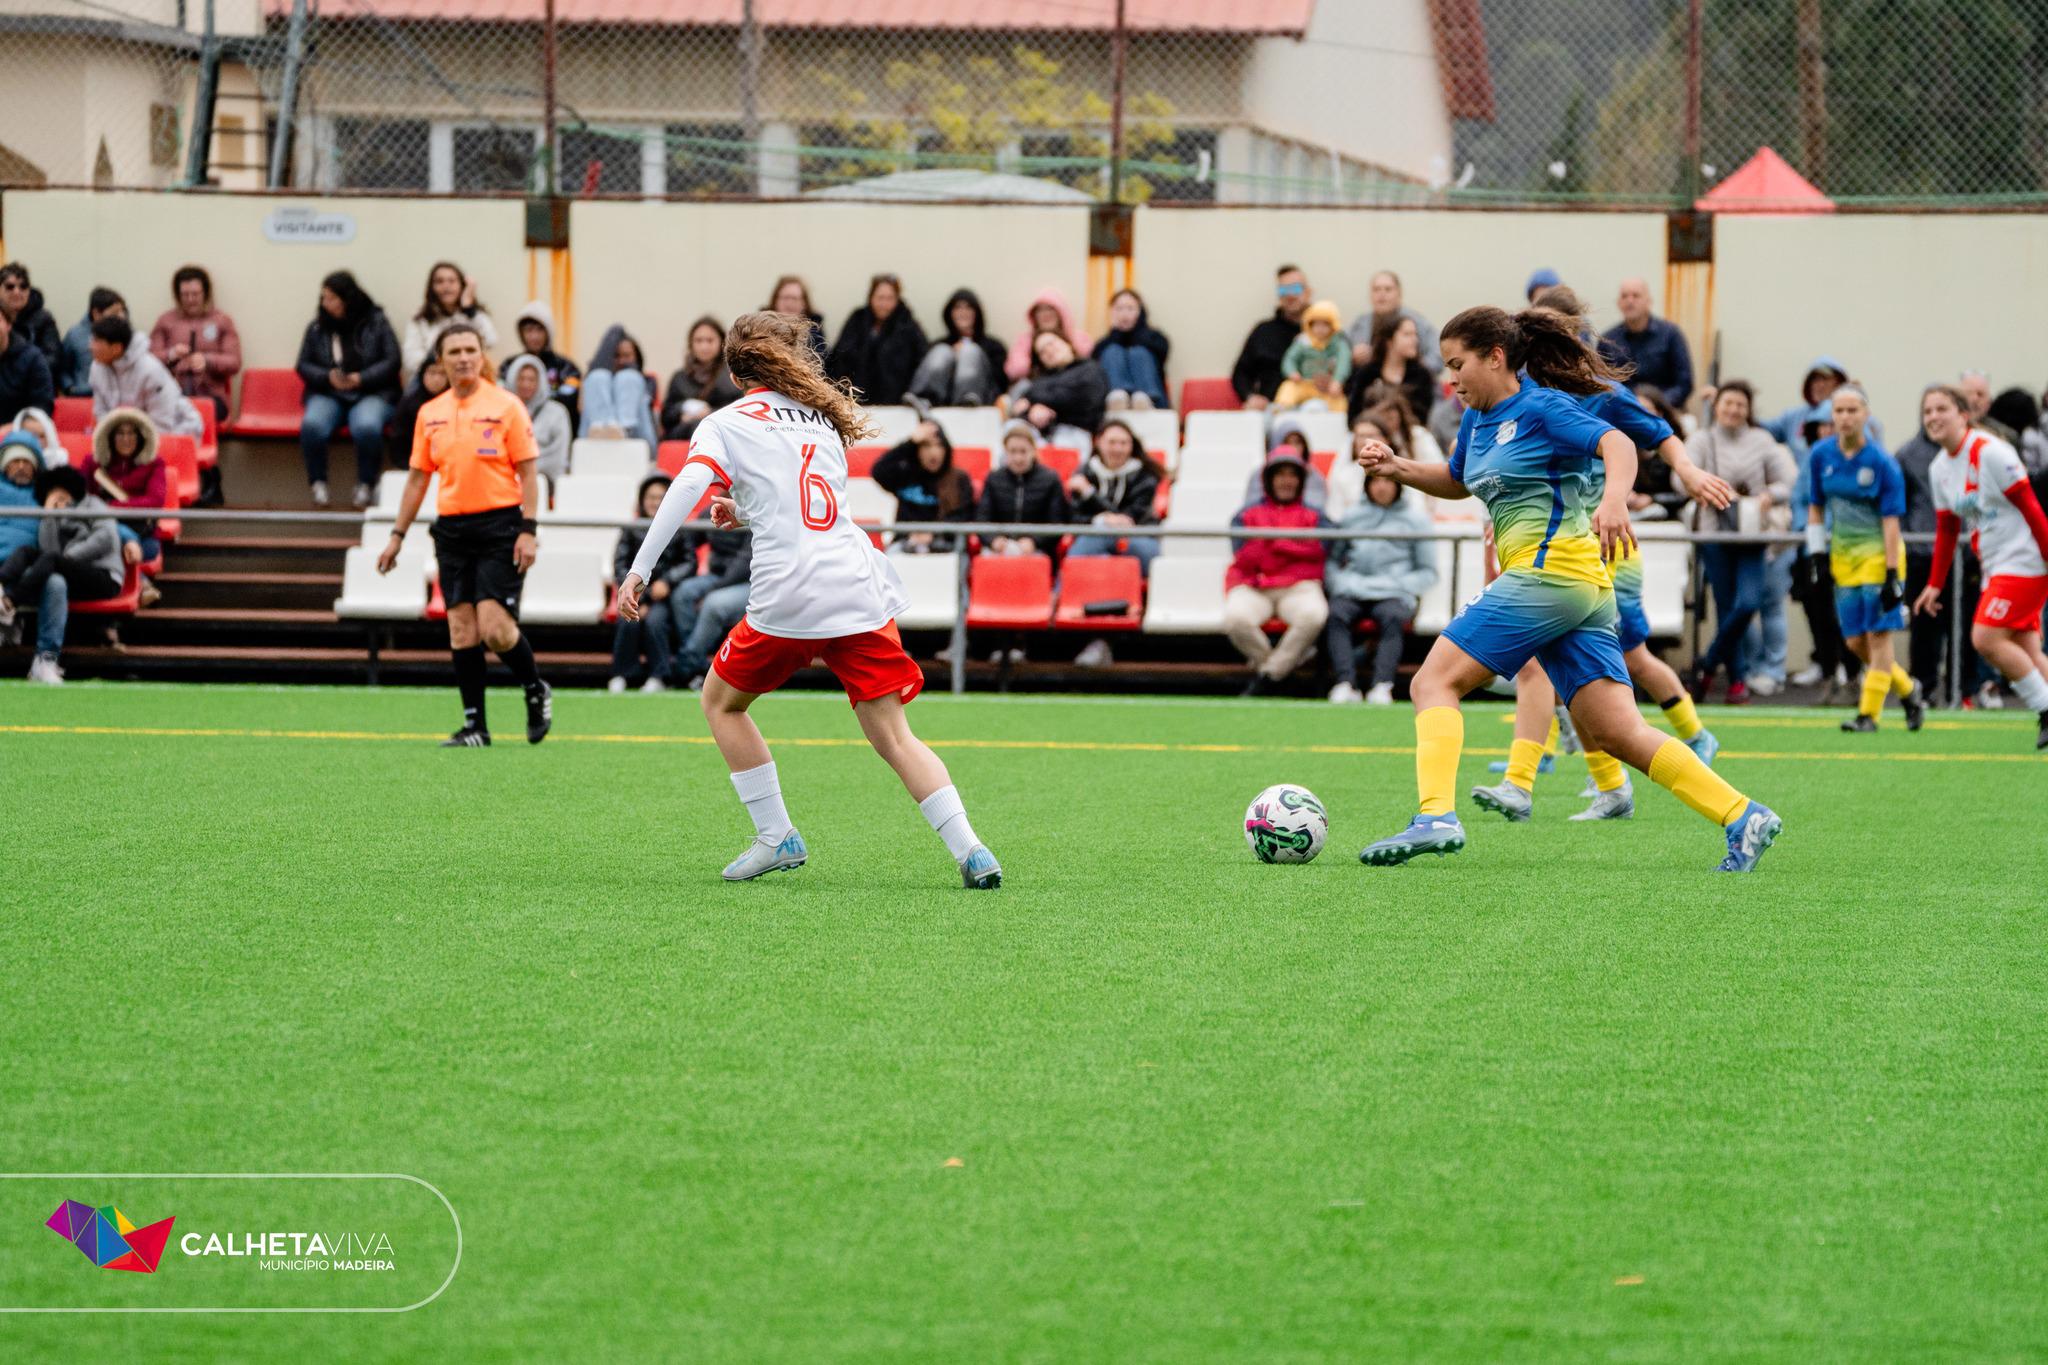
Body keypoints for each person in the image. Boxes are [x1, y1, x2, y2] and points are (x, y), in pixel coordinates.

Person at [1355, 305, 1779, 872]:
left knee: (1433, 682)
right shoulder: (1476, 419)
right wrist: (1396, 467)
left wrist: (1611, 503)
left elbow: (1620, 446)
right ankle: (1741, 814)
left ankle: (1435, 814)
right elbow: (1459, 481)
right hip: (1576, 589)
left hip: (1549, 574)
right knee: (1618, 732)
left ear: (1496, 357)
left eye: (1458, 365)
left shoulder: (1542, 406)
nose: (1450, 379)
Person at [618, 309, 1002, 889]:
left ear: (735, 369)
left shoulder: (725, 422)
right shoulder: (821, 422)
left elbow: (688, 485)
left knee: (721, 703)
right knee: (896, 737)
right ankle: (972, 850)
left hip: (790, 594)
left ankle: (776, 836)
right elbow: (811, 502)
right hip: (855, 586)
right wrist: (743, 510)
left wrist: (639, 570)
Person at [1470, 320, 1734, 823]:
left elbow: (1657, 435)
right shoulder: (1519, 400)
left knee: (1627, 657)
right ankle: (1570, 776)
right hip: (1554, 551)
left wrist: (1688, 472)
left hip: (1602, 546)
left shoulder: (1599, 396)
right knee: (1557, 669)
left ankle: (1690, 738)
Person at [376, 324, 552, 748]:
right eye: (453, 350)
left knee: (495, 627)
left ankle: (534, 688)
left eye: (470, 349)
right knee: (461, 628)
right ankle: (476, 726)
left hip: (501, 526)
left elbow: (529, 473)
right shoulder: (430, 412)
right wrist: (397, 536)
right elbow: (418, 480)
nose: (463, 357)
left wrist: (528, 531)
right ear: (442, 359)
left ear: (482, 354)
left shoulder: (506, 406)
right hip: (452, 529)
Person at [1913, 383, 2048, 749]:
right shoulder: (1940, 466)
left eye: (1942, 409)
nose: (1933, 417)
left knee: (1985, 637)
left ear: (1964, 415)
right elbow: (1946, 529)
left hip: (2026, 561)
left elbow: (2032, 510)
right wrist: (1935, 584)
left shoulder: (1991, 452)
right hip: (1996, 566)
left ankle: (2045, 709)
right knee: (2028, 651)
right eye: (1927, 411)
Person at [1801, 384, 1924, 733]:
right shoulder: (1822, 455)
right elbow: (1815, 506)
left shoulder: (1883, 463)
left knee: (1879, 637)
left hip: (1878, 559)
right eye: (1838, 411)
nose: (1844, 417)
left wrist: (1890, 573)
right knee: (1855, 641)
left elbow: (1890, 521)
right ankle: (1909, 689)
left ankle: (1868, 714)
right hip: (1843, 558)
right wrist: (1817, 555)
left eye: (1852, 410)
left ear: (1866, 415)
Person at [1685, 380, 1797, 703]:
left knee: (1747, 603)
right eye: (1728, 403)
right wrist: (1704, 487)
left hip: (1752, 533)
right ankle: (1737, 680)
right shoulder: (1702, 440)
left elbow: (1788, 481)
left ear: (1749, 410)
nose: (1734, 410)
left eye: (1740, 404)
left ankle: (1707, 663)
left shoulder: (1763, 441)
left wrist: (1768, 495)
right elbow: (1681, 477)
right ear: (1717, 406)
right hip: (1714, 532)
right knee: (1724, 605)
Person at [1324, 467, 1435, 705]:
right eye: (1375, 481)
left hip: (1394, 593)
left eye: (1388, 481)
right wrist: (1341, 583)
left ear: (1398, 485)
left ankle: (1382, 684)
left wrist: (1400, 585)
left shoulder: (1416, 520)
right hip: (1353, 588)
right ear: (1367, 485)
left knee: (1392, 616)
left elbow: (1428, 571)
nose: (1381, 486)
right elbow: (1333, 560)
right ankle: (1345, 683)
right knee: (1336, 614)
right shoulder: (1352, 516)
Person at [0, 464, 123, 677]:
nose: (59, 497)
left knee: (52, 563)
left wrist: (65, 559)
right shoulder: (50, 517)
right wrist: (49, 517)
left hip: (103, 576)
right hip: (69, 576)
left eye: (63, 492)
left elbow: (106, 537)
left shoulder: (92, 504)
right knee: (41, 568)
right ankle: (44, 660)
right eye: (53, 493)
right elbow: (48, 552)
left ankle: (10, 601)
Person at [1224, 449, 1330, 695]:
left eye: (1292, 475)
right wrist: (1294, 545)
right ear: (1269, 479)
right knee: (1235, 618)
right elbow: (1245, 557)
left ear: (1301, 481)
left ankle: (1268, 678)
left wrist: (1272, 542)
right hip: (1254, 585)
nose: (1286, 480)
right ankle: (1280, 672)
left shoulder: (1317, 516)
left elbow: (1318, 555)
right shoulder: (1245, 515)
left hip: (1298, 586)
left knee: (1314, 615)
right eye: (1280, 474)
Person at [295, 270, 401, 509]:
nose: (325, 303)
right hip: (328, 392)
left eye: (331, 298)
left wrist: (361, 378)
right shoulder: (317, 327)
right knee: (312, 425)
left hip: (372, 392)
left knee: (366, 426)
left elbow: (393, 360)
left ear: (347, 298)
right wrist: (327, 377)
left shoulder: (377, 322)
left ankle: (366, 484)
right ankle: (318, 483)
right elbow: (302, 364)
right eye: (323, 298)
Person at [0, 431, 76, 683]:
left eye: (27, 462)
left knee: (56, 583)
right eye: (15, 461)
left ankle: (46, 659)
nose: (21, 467)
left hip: (30, 572)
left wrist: (129, 537)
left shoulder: (49, 492)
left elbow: (89, 512)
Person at [609, 474, 689, 693]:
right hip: (635, 596)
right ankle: (622, 673)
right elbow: (620, 564)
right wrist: (638, 596)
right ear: (642, 500)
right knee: (627, 620)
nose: (655, 502)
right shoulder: (630, 528)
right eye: (650, 497)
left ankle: (659, 675)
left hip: (665, 597)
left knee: (656, 621)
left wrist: (667, 582)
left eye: (661, 497)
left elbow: (688, 562)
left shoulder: (680, 529)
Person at [89, 313, 203, 445]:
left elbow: (162, 424)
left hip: (177, 432)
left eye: (96, 341)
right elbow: (101, 412)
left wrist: (128, 444)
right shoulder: (97, 367)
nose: (90, 346)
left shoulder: (150, 370)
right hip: (128, 440)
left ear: (116, 348)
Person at [149, 266, 241, 424]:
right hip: (172, 394)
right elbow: (148, 361)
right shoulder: (165, 321)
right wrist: (171, 355)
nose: (190, 299)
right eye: (185, 295)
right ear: (178, 295)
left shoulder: (222, 321)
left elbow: (235, 362)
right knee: (162, 413)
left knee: (196, 415)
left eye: (195, 294)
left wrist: (207, 361)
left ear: (206, 293)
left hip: (210, 396)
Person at [872, 419, 975, 553]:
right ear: (917, 450)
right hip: (905, 542)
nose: (934, 452)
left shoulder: (959, 478)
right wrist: (911, 441)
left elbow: (964, 517)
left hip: (944, 546)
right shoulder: (905, 474)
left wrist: (932, 533)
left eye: (939, 445)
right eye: (926, 446)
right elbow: (878, 471)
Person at [825, 273, 925, 406]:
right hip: (855, 400)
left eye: (890, 298)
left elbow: (920, 361)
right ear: (871, 298)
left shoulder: (907, 325)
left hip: (897, 402)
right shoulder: (858, 320)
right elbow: (840, 356)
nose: (884, 304)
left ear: (897, 299)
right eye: (880, 298)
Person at [979, 420, 1069, 557]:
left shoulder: (1050, 479)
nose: (1018, 458)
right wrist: (993, 540)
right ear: (1005, 451)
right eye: (1013, 451)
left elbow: (1057, 523)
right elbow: (982, 519)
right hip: (999, 548)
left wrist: (1034, 542)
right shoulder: (993, 479)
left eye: (1023, 451)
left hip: (1037, 549)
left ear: (1033, 451)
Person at [1598, 278, 1692, 409]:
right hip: (1623, 414)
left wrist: (1656, 405)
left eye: (1636, 296)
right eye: (1624, 296)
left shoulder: (1671, 334)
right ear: (1619, 303)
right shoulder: (1607, 340)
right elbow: (1602, 384)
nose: (1630, 301)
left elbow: (1684, 384)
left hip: (1666, 412)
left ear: (1648, 301)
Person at [1231, 265, 1312, 410]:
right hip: (1272, 410)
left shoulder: (1328, 332)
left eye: (1296, 289)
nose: (1290, 295)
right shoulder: (1263, 332)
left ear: (1308, 292)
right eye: (1284, 290)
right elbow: (1240, 374)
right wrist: (1250, 396)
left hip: (1315, 409)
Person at [402, 262, 497, 382]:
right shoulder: (420, 319)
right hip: (432, 378)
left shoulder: (473, 314)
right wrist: (444, 368)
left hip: (469, 375)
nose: (446, 286)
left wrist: (469, 309)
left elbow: (491, 340)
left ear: (462, 285)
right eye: (440, 281)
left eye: (452, 281)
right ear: (431, 287)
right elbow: (411, 358)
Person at [911, 289, 1007, 407]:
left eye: (968, 308)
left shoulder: (993, 346)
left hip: (981, 400)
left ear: (976, 312)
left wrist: (968, 357)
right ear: (950, 313)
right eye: (957, 308)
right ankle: (924, 399)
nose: (963, 312)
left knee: (969, 351)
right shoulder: (938, 345)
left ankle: (967, 399)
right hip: (943, 401)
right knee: (942, 351)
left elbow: (1000, 382)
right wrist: (952, 359)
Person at [1008, 331, 1106, 443]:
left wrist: (1041, 406)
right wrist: (1031, 411)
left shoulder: (1090, 369)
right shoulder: (1040, 381)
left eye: (1051, 343)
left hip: (1074, 431)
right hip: (1039, 433)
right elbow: (1021, 407)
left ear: (1067, 344)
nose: (1049, 351)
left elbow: (1085, 399)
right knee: (1014, 428)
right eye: (1042, 351)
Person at [661, 317, 742, 441]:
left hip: (721, 430)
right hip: (684, 433)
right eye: (699, 341)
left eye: (710, 340)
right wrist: (682, 410)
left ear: (721, 342)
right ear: (691, 343)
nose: (704, 346)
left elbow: (740, 410)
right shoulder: (680, 377)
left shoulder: (732, 374)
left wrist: (709, 413)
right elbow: (666, 416)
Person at [1345, 270, 1441, 374]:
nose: (1382, 294)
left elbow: (1437, 357)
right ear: (1370, 295)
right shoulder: (1360, 324)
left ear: (1399, 294)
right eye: (1376, 289)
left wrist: (1413, 372)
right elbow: (1336, 355)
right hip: (1369, 385)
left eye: (1388, 289)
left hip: (1408, 387)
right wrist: (1350, 357)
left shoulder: (1416, 322)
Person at [1346, 311, 1433, 424]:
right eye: (1407, 334)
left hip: (1410, 436)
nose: (1415, 340)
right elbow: (1353, 416)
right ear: (1389, 341)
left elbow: (1423, 418)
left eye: (1415, 334)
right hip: (1372, 434)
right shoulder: (1367, 373)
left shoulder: (1421, 375)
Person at [503, 355, 570, 491]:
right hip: (507, 479)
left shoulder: (557, 412)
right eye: (521, 379)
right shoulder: (501, 410)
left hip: (546, 480)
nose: (526, 384)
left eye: (531, 379)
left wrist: (527, 469)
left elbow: (559, 455)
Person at [580, 325, 657, 444]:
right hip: (593, 439)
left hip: (637, 440)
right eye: (616, 356)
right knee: (597, 377)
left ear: (636, 357)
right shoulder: (596, 381)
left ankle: (623, 430)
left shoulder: (646, 381)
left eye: (626, 355)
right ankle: (602, 427)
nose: (621, 361)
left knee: (628, 378)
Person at [1096, 288, 1170, 411]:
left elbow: (1162, 353)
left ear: (1140, 311)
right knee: (1112, 351)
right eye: (1119, 309)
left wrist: (1139, 326)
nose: (1124, 314)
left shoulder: (1155, 338)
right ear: (1112, 312)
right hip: (1114, 405)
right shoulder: (1104, 344)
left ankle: (1146, 398)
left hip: (1154, 403)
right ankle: (1118, 395)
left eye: (1130, 308)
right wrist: (1116, 333)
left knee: (1138, 353)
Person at [513, 301, 583, 427]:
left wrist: (536, 401)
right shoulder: (510, 366)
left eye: (539, 330)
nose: (534, 336)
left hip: (555, 429)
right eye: (529, 330)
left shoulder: (566, 367)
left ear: (548, 332)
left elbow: (569, 396)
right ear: (521, 333)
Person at [1002, 288, 1092, 385]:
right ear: (1034, 316)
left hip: (1072, 384)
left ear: (1060, 312)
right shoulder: (1025, 341)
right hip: (1037, 386)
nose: (1046, 314)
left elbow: (1088, 365)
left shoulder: (1078, 338)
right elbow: (1014, 371)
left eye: (1050, 309)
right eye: (1040, 310)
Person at [1242, 415, 1331, 510]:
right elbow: (1250, 511)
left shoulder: (1314, 476)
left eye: (1297, 442)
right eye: (1287, 442)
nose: (1293, 448)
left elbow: (1317, 513)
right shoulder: (1259, 474)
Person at [1273, 301, 1350, 411]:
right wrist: (1292, 372)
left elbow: (1343, 363)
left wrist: (1337, 381)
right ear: (1309, 325)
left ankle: (1338, 418)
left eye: (1325, 324)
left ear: (1333, 326)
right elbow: (1290, 358)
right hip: (1304, 382)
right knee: (1288, 387)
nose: (1320, 329)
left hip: (1328, 387)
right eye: (1317, 324)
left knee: (1339, 400)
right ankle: (1282, 408)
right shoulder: (1303, 341)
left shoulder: (1339, 343)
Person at [60, 288, 125, 399]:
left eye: (122, 312)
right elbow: (63, 368)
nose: (121, 317)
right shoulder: (74, 334)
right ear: (96, 314)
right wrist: (70, 388)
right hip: (82, 397)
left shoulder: (124, 335)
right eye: (115, 313)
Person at [0, 264, 61, 373]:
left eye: (23, 286)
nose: (17, 292)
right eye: (10, 287)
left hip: (33, 381)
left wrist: (23, 370)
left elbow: (53, 359)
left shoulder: (44, 319)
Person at [0, 312, 53, 421]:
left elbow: (41, 410)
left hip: (18, 433)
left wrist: (9, 430)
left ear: (8, 325)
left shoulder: (32, 359)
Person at [765, 276, 827, 359]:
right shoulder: (760, 326)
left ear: (804, 303)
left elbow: (821, 359)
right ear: (775, 300)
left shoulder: (815, 329)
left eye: (795, 298)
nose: (790, 303)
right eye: (785, 298)